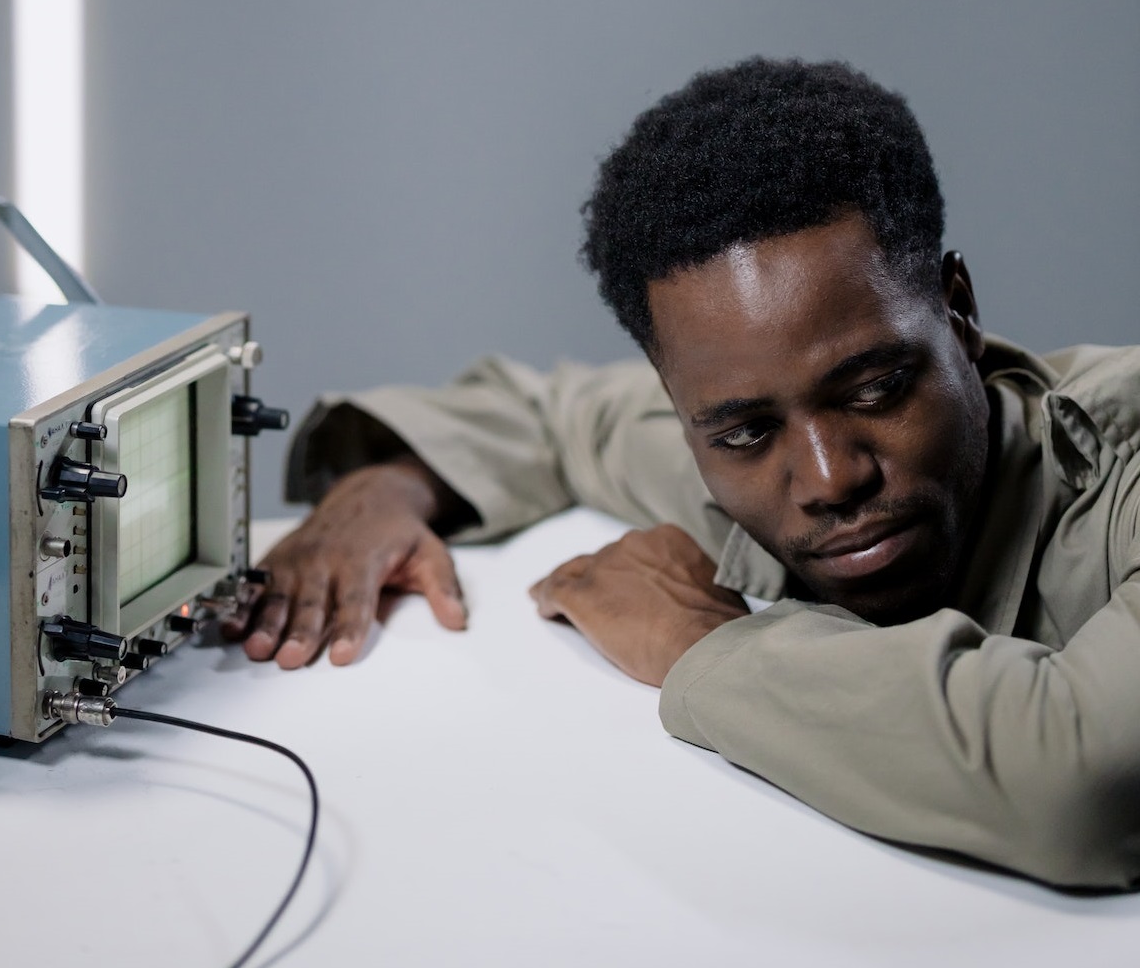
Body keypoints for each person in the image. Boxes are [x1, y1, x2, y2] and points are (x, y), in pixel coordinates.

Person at [225, 58, 1140, 889]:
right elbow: (549, 412)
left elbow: (1080, 786)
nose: (826, 477)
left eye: (875, 388)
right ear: (683, 408)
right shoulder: (717, 440)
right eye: (744, 432)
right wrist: (385, 486)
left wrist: (701, 640)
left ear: (959, 310)